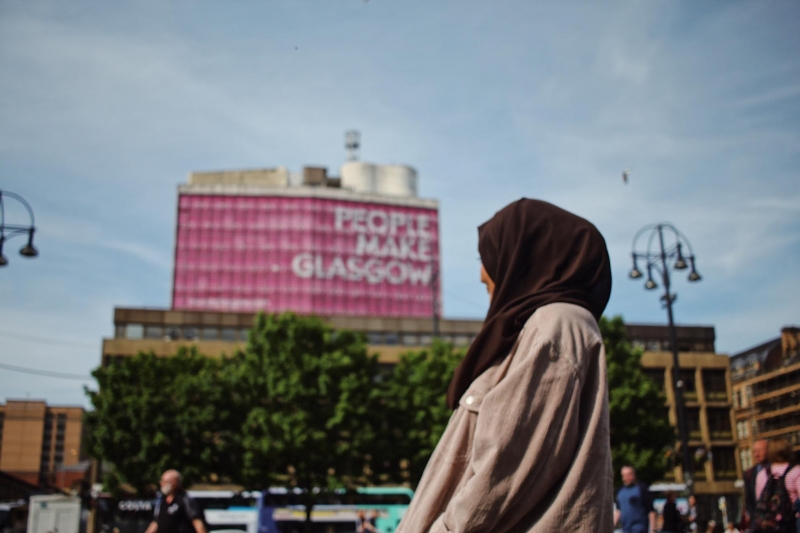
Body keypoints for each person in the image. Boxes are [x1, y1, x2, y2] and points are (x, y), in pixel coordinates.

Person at [395, 199, 614, 532]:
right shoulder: (543, 328)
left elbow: (506, 463)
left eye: (490, 283)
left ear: (522, 263)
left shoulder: (554, 325)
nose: (491, 295)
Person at [754, 438, 800, 532]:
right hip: (791, 523)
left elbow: (759, 499)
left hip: (769, 525)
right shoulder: (795, 471)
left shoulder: (762, 474)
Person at [614, 466, 655, 533]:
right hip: (626, 529)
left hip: (640, 529)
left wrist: (653, 530)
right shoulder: (620, 491)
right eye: (624, 475)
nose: (626, 477)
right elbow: (618, 511)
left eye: (629, 474)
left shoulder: (642, 488)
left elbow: (651, 511)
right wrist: (612, 526)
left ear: (634, 474)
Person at [744, 439, 769, 531]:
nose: (756, 455)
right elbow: (749, 499)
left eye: (759, 451)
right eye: (754, 451)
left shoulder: (776, 470)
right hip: (758, 524)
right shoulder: (749, 474)